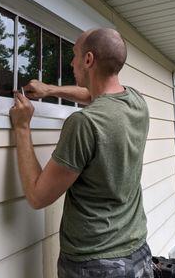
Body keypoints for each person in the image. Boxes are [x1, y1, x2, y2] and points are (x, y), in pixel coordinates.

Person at [10, 28, 153, 278]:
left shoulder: (84, 123)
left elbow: (37, 196)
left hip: (95, 264)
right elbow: (94, 95)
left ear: (88, 60)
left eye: (75, 55)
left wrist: (22, 126)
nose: (71, 61)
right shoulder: (136, 102)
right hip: (138, 251)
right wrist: (50, 90)